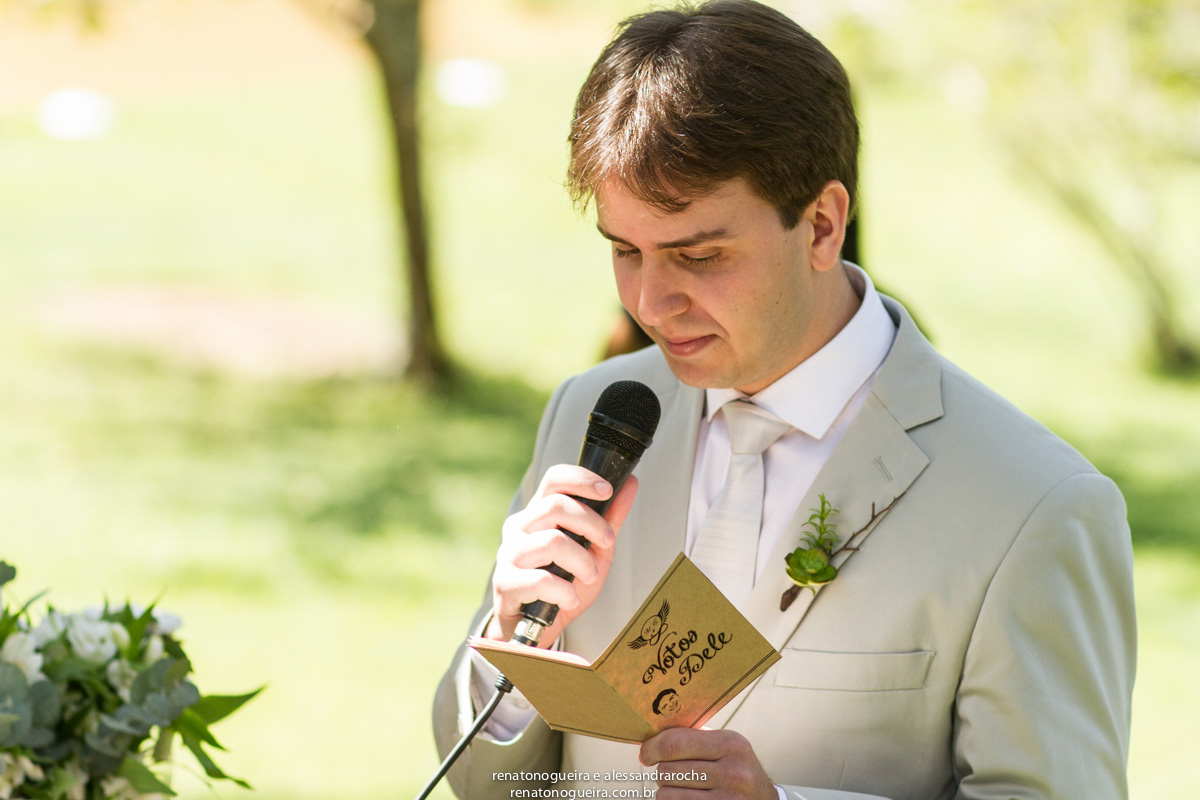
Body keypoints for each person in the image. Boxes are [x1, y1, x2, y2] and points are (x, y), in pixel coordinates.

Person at [432, 2, 1136, 799]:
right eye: (626, 251)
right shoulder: (589, 411)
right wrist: (515, 644)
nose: (650, 304)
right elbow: (487, 786)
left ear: (823, 225)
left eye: (698, 255)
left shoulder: (1036, 506)